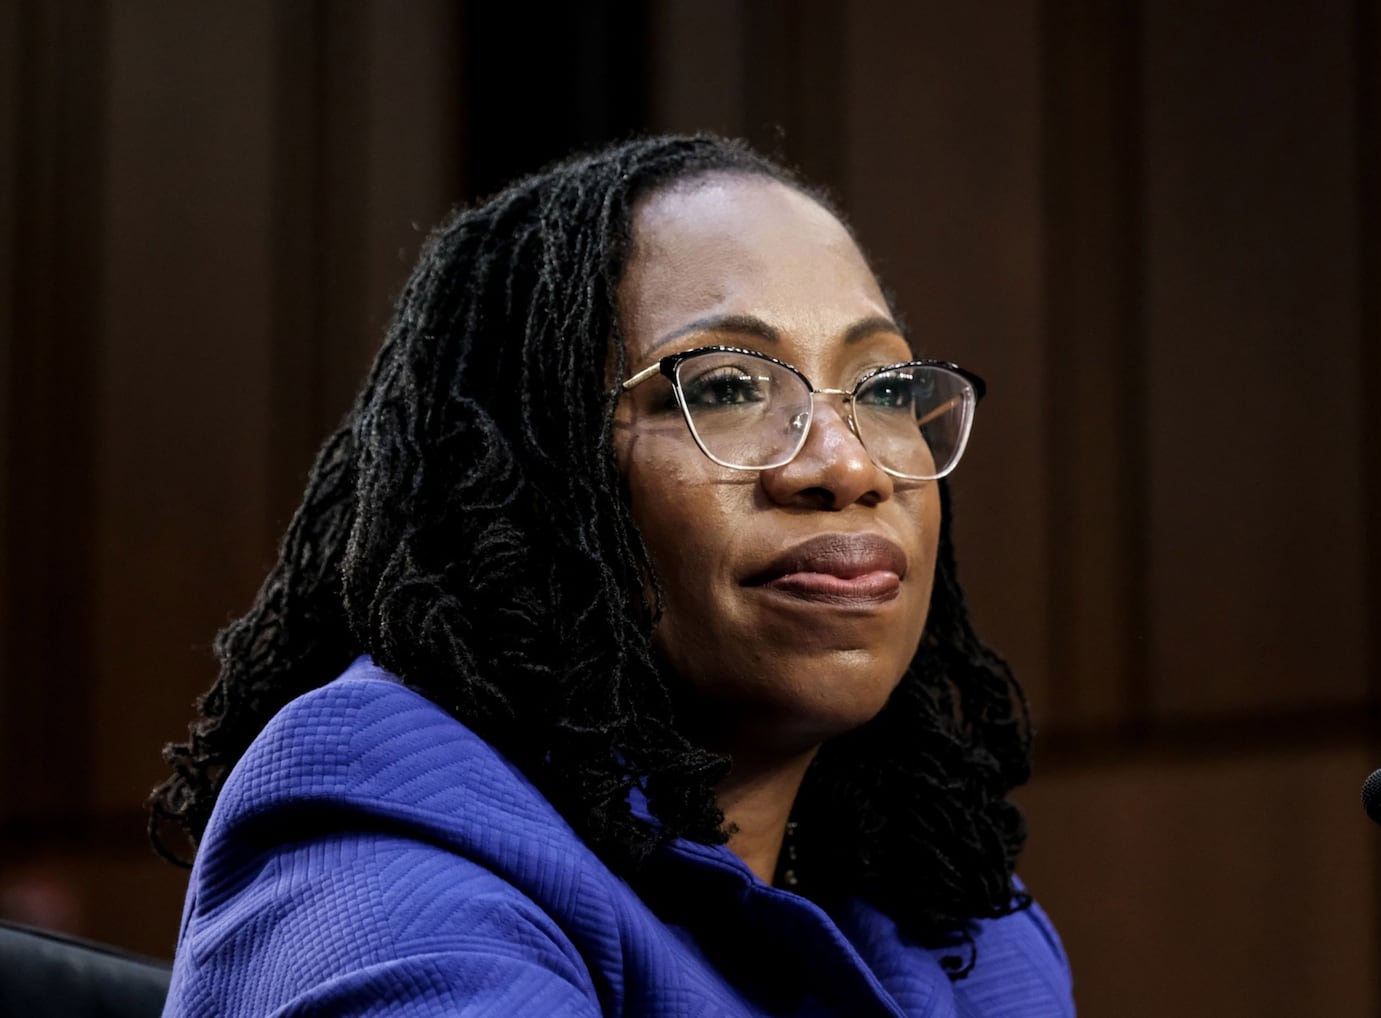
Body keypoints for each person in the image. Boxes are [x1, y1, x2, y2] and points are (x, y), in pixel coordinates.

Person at [151, 135, 1075, 1016]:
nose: (846, 465)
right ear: (527, 473)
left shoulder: (946, 902)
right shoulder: (377, 837)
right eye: (723, 387)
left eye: (883, 389)